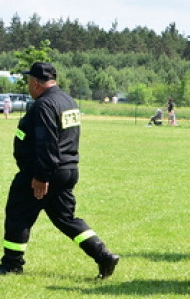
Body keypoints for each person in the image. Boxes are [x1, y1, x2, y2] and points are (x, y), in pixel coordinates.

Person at [0, 62, 119, 278]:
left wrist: (41, 176)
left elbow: (47, 143)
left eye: (29, 81)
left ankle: (11, 264)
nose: (28, 85)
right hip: (67, 169)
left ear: (35, 83)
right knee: (65, 218)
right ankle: (103, 256)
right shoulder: (67, 100)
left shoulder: (43, 105)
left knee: (18, 213)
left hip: (43, 172)